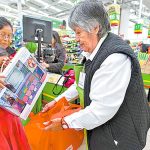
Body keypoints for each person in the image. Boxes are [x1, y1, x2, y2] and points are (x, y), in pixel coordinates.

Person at [42, 1, 150, 150]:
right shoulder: (93, 52)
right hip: (106, 129)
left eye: (78, 32)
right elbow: (80, 84)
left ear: (95, 27)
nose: (76, 38)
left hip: (122, 134)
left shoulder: (115, 57)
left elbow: (102, 109)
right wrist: (56, 101)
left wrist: (64, 123)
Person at [0, 17, 30, 150]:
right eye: (3, 35)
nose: (7, 39)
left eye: (9, 36)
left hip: (8, 110)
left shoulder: (8, 55)